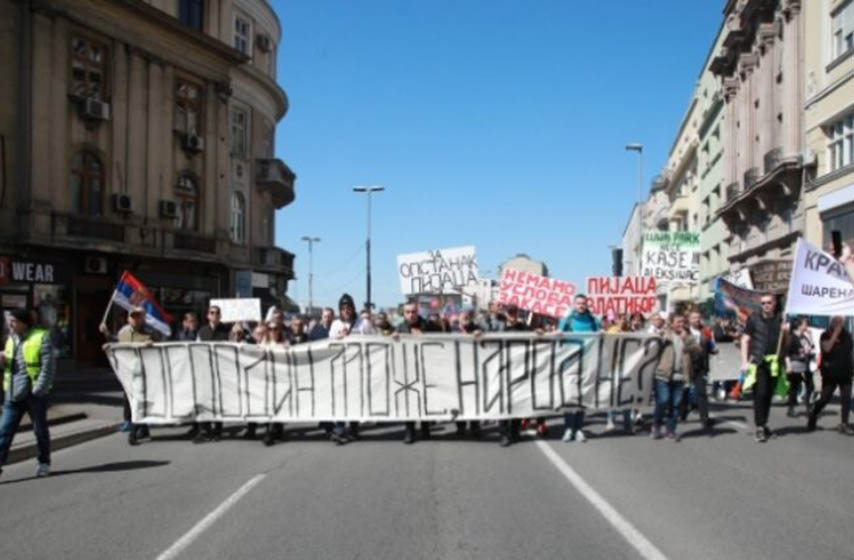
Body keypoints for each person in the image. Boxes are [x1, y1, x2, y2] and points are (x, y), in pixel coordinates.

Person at [0, 309, 54, 478]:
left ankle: (43, 462)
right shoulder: (10, 339)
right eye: (9, 321)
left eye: (13, 321)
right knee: (4, 431)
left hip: (33, 395)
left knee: (40, 431)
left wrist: (39, 389)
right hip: (13, 394)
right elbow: (10, 366)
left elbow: (48, 367)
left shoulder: (41, 337)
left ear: (24, 323)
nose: (10, 324)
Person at [100, 305, 159, 445]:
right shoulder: (123, 332)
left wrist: (153, 343)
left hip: (145, 372)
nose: (135, 320)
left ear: (143, 318)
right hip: (128, 373)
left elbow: (160, 347)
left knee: (139, 401)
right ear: (128, 318)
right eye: (133, 317)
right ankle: (141, 427)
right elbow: (117, 344)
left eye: (138, 316)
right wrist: (107, 338)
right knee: (130, 400)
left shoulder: (150, 332)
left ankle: (134, 431)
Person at [741, 293, 788, 443]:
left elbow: (787, 344)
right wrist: (744, 361)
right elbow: (745, 340)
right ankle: (760, 427)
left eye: (769, 302)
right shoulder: (754, 318)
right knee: (760, 394)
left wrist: (786, 332)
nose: (766, 305)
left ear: (774, 304)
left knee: (768, 395)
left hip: (774, 363)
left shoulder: (781, 319)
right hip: (759, 362)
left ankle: (764, 423)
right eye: (763, 303)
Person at [395, 300, 441, 444]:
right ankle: (410, 431)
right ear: (404, 313)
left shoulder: (428, 325)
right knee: (409, 400)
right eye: (408, 312)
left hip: (425, 366)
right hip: (407, 368)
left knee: (424, 398)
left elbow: (443, 337)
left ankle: (426, 428)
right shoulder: (399, 327)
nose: (411, 315)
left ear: (418, 312)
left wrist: (424, 335)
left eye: (413, 312)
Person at [558, 294, 600, 443]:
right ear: (574, 304)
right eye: (579, 303)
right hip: (570, 363)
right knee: (570, 397)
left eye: (584, 303)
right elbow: (559, 335)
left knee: (583, 397)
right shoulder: (567, 320)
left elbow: (600, 337)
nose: (581, 306)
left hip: (588, 363)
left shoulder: (594, 321)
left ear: (587, 304)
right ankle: (568, 428)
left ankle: (579, 429)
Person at [651, 314, 697, 441]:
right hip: (663, 374)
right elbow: (654, 344)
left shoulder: (687, 335)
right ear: (671, 323)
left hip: (680, 376)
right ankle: (656, 425)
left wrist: (686, 339)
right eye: (678, 322)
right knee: (663, 400)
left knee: (675, 405)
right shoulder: (666, 334)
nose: (681, 324)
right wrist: (663, 335)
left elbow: (697, 351)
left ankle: (670, 431)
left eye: (683, 322)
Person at [808, 316, 853, 434]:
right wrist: (835, 334)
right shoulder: (825, 334)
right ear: (831, 322)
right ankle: (814, 414)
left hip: (846, 373)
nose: (838, 324)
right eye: (836, 321)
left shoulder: (847, 335)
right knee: (824, 398)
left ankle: (844, 423)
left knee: (846, 399)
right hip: (830, 374)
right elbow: (827, 348)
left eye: (840, 321)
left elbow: (849, 353)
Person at [195, 305, 230, 443]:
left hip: (221, 371)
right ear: (208, 315)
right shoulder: (202, 331)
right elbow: (195, 349)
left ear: (220, 316)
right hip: (204, 372)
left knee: (218, 402)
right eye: (212, 312)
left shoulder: (227, 330)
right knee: (204, 401)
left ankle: (218, 430)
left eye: (217, 313)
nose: (214, 315)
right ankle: (204, 430)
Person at [328, 293, 360, 443]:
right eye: (343, 308)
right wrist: (337, 338)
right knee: (340, 397)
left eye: (348, 307)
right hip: (340, 366)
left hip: (357, 366)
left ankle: (354, 428)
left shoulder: (362, 323)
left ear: (353, 308)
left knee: (355, 398)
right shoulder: (335, 325)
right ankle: (340, 428)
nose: (346, 310)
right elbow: (328, 344)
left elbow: (374, 337)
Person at [680, 311, 716, 430]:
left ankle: (704, 419)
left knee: (702, 392)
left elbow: (710, 346)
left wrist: (713, 349)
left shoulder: (705, 331)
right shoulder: (684, 332)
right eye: (694, 317)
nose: (697, 319)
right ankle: (683, 414)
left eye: (698, 317)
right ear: (689, 319)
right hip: (687, 365)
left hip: (701, 366)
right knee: (685, 391)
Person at [785, 316, 814, 418]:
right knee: (794, 387)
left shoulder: (804, 336)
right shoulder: (792, 337)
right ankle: (791, 408)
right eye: (805, 324)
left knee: (810, 386)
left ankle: (808, 407)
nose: (807, 326)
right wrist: (788, 366)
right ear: (799, 325)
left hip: (805, 364)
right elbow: (786, 353)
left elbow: (811, 346)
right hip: (795, 364)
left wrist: (810, 336)